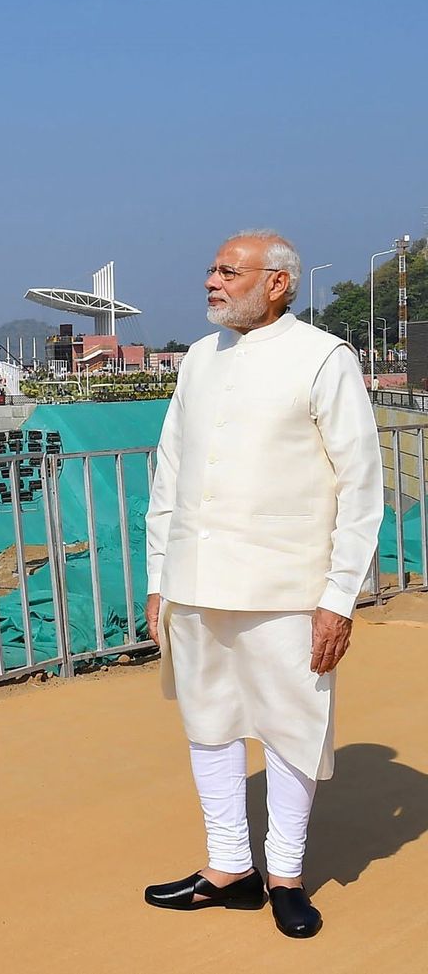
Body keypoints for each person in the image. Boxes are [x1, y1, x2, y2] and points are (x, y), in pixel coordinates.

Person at [143, 229, 383, 939]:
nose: (211, 280)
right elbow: (170, 473)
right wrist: (160, 576)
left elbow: (360, 487)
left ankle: (284, 873)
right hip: (196, 579)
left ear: (276, 282)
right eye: (211, 268)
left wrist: (339, 596)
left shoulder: (323, 357)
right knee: (208, 724)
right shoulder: (197, 359)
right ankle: (228, 867)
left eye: (228, 270)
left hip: (288, 586)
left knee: (290, 728)